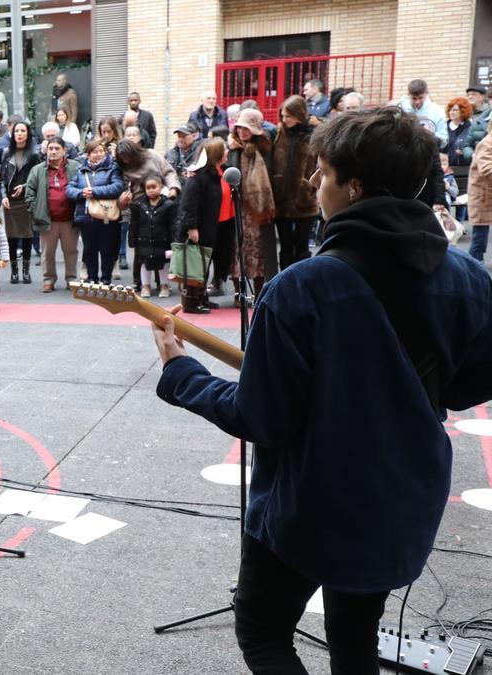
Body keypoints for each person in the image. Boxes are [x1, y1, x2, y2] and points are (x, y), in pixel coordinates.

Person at [151, 105, 492, 675]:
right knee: (355, 639)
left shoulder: (299, 289)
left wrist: (181, 372)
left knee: (262, 632)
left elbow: (261, 418)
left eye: (323, 172)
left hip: (309, 505)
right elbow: (467, 388)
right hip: (402, 499)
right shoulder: (468, 280)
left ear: (353, 188)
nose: (312, 182)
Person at [173, 137, 228, 313]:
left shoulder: (217, 173)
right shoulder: (199, 177)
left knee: (204, 264)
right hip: (199, 228)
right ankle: (191, 302)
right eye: (224, 149)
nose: (227, 151)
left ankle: (202, 297)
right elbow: (189, 204)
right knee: (195, 266)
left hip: (212, 227)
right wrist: (192, 228)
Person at [228, 109, 277, 302]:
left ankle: (258, 293)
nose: (242, 132)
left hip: (258, 210)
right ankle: (238, 293)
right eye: (239, 127)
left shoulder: (263, 149)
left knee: (258, 250)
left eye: (246, 128)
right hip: (237, 208)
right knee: (238, 248)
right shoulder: (233, 149)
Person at [269, 96, 319, 271]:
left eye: (288, 116)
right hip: (282, 199)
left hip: (304, 198)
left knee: (302, 246)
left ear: (299, 114)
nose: (284, 120)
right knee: (285, 246)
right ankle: (285, 282)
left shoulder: (314, 133)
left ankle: (302, 282)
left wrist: (310, 184)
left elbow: (322, 163)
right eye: (282, 115)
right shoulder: (279, 132)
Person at [26, 138, 81, 293]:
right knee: (47, 252)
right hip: (47, 218)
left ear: (64, 150)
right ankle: (48, 279)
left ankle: (71, 278)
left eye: (57, 148)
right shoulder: (37, 170)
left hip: (70, 219)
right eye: (50, 148)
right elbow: (29, 191)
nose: (53, 151)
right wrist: (36, 209)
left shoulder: (75, 167)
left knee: (71, 250)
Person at [68, 141, 125, 284]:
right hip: (85, 215)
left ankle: (106, 278)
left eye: (101, 151)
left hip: (105, 214)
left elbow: (118, 187)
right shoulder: (81, 170)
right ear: (88, 154)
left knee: (107, 248)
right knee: (89, 248)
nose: (99, 154)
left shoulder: (113, 168)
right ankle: (92, 277)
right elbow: (69, 189)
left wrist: (94, 192)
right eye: (95, 152)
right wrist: (81, 193)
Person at [0, 121, 43, 284]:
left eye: (22, 131)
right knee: (11, 237)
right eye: (17, 130)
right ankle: (14, 272)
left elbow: (39, 176)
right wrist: (3, 195)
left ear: (27, 134)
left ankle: (26, 271)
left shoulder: (34, 153)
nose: (19, 133)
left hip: (26, 200)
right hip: (10, 201)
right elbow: (2, 178)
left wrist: (25, 186)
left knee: (26, 236)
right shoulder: (6, 153)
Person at [129, 175, 176, 297]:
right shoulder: (138, 205)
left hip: (163, 240)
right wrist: (132, 239)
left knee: (163, 263)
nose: (151, 190)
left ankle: (164, 285)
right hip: (144, 239)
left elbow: (173, 225)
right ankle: (146, 286)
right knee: (144, 262)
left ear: (160, 187)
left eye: (153, 187)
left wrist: (174, 242)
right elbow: (134, 223)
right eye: (148, 188)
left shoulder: (169, 205)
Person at [399, 79, 448, 146]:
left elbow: (443, 141)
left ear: (426, 93)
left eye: (420, 98)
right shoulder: (400, 109)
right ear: (408, 95)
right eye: (414, 98)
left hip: (428, 153)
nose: (417, 102)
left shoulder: (437, 111)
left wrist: (427, 134)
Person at [469, 131, 492, 262]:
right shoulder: (487, 143)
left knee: (480, 241)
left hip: (487, 196)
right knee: (479, 242)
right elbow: (486, 169)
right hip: (483, 198)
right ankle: (473, 271)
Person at [444, 97, 474, 167]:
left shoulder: (471, 128)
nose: (451, 112)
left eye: (455, 110)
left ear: (463, 111)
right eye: (450, 110)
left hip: (467, 167)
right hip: (448, 169)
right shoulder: (444, 128)